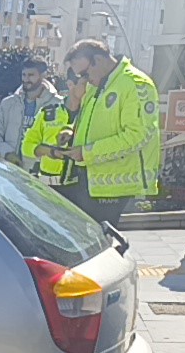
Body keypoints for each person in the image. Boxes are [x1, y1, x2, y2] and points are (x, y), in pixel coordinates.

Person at [62, 39, 161, 227]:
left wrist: (87, 152)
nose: (83, 79)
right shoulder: (96, 85)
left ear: (98, 60)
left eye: (84, 73)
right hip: (93, 180)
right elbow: (96, 125)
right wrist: (73, 135)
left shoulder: (136, 83)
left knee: (105, 245)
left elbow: (138, 135)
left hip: (116, 184)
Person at [21, 70, 88, 200]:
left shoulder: (91, 114)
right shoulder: (48, 113)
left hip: (80, 188)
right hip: (49, 189)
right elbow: (27, 146)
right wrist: (51, 152)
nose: (89, 88)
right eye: (84, 84)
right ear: (70, 85)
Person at [0, 58, 60, 168]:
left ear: (43, 75)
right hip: (12, 170)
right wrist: (7, 153)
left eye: (31, 75)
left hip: (41, 173)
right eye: (23, 75)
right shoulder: (8, 104)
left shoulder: (57, 104)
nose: (26, 79)